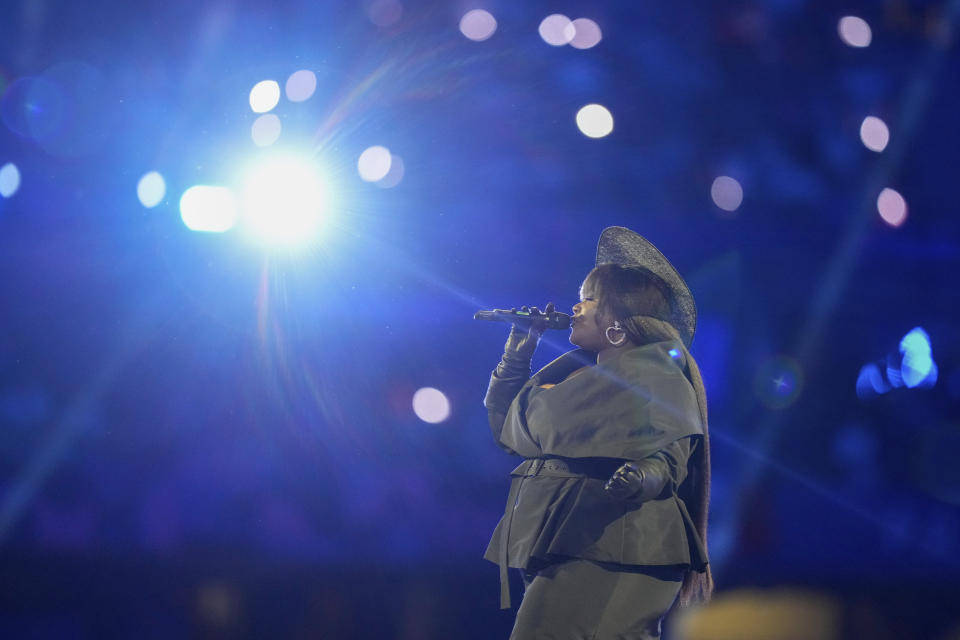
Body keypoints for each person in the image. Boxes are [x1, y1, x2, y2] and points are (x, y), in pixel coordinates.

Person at [483, 227, 713, 640]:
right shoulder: (571, 380)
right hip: (569, 536)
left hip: (620, 543)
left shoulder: (658, 378)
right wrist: (518, 354)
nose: (576, 306)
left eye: (589, 298)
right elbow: (509, 430)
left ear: (617, 326)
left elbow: (669, 456)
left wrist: (643, 476)